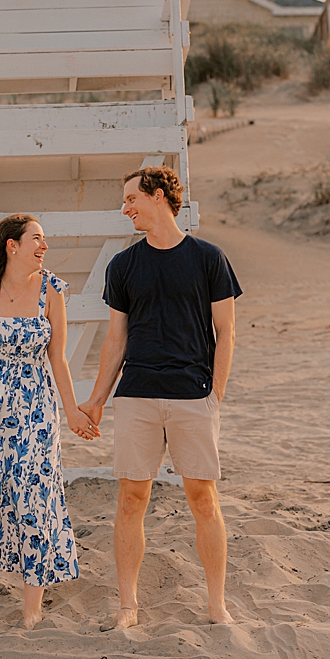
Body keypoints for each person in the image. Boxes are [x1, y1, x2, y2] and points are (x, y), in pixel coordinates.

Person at [80, 165, 240, 629]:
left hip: (194, 396)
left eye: (131, 198)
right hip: (137, 397)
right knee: (131, 498)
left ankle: (216, 606)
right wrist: (96, 400)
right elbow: (115, 341)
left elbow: (226, 333)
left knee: (203, 498)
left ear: (157, 197)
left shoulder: (209, 258)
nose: (125, 207)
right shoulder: (124, 265)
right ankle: (128, 606)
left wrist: (216, 395)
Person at [0, 213, 88, 630]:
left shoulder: (51, 291)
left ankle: (32, 611)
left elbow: (57, 358)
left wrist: (74, 408)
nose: (44, 247)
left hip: (35, 414)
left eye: (45, 240)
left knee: (35, 503)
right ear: (12, 245)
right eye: (37, 239)